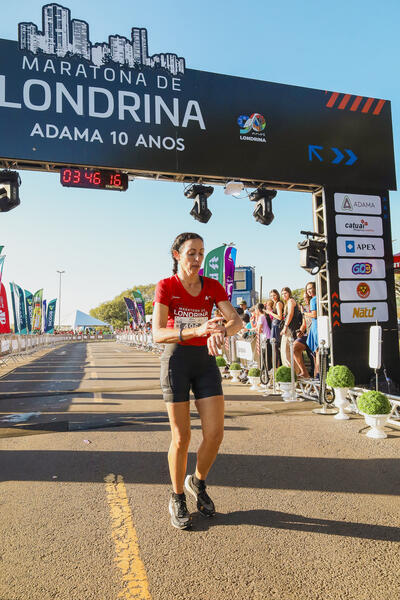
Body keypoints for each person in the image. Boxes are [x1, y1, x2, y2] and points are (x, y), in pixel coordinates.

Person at [152, 232, 242, 530]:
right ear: (177, 254)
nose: (197, 258)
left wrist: (220, 332)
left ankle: (197, 482)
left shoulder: (212, 286)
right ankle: (177, 496)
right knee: (182, 438)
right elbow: (157, 335)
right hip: (176, 360)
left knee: (215, 434)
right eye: (191, 252)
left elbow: (236, 320)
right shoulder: (167, 286)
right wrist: (198, 330)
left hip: (204, 362)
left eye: (201, 253)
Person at [293, 284, 316, 378]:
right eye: (304, 298)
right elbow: (304, 323)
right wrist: (300, 331)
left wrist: (304, 313)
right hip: (307, 335)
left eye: (306, 297)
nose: (305, 300)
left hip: (315, 335)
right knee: (294, 347)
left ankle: (316, 380)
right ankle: (304, 372)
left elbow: (314, 315)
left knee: (314, 359)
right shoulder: (305, 308)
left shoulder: (316, 303)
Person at [280, 287, 303, 369]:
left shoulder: (290, 301)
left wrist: (285, 327)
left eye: (285, 293)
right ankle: (293, 372)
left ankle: (291, 372)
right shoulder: (288, 302)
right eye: (282, 294)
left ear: (289, 293)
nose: (284, 295)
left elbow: (290, 314)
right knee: (287, 351)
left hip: (290, 329)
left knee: (286, 352)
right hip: (290, 328)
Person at [267, 290, 284, 366]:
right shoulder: (275, 304)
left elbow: (280, 317)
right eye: (271, 296)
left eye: (274, 295)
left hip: (277, 326)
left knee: (275, 346)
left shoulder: (278, 303)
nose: (272, 297)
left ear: (277, 295)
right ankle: (276, 366)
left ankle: (277, 366)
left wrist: (270, 313)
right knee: (275, 347)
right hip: (274, 325)